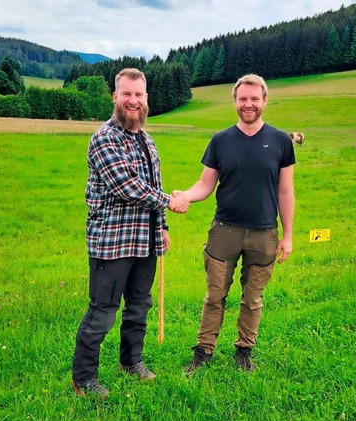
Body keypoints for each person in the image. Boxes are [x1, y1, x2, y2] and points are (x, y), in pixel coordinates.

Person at [71, 68, 189, 399]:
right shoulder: (104, 138)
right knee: (103, 311)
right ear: (115, 97)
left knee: (139, 305)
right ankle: (84, 379)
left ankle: (131, 362)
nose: (133, 101)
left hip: (144, 241)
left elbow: (154, 186)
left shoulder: (147, 141)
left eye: (139, 95)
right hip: (111, 243)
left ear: (146, 99)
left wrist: (162, 224)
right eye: (127, 94)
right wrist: (170, 201)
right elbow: (127, 186)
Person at [176, 74, 295, 375]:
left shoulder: (281, 141)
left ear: (265, 101)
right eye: (243, 99)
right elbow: (205, 185)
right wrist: (184, 196)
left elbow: (285, 191)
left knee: (252, 298)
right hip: (224, 231)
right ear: (235, 101)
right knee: (214, 295)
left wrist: (288, 235)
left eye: (255, 98)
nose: (249, 104)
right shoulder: (220, 140)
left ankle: (244, 350)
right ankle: (203, 351)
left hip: (264, 233)